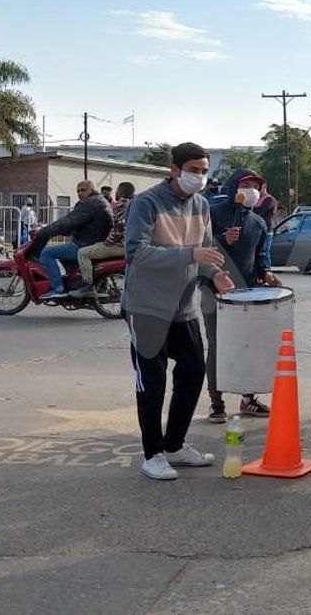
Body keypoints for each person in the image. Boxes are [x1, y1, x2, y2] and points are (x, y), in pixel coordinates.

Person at [123, 142, 235, 481]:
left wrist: (216, 275)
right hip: (147, 306)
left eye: (203, 171)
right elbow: (135, 252)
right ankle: (152, 454)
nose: (199, 177)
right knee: (152, 381)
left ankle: (174, 445)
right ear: (174, 169)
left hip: (183, 306)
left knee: (193, 372)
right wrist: (190, 255)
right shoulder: (146, 202)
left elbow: (207, 252)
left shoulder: (202, 204)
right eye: (193, 170)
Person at [203, 168, 279, 424]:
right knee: (217, 347)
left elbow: (260, 255)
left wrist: (266, 272)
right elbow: (199, 247)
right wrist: (221, 239)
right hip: (213, 292)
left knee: (247, 347)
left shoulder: (257, 222)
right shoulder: (212, 212)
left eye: (256, 185)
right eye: (246, 184)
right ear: (234, 186)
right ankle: (216, 402)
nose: (251, 190)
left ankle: (248, 398)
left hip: (247, 294)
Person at [29, 180, 112, 299]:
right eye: (78, 190)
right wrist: (54, 229)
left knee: (47, 253)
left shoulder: (91, 203)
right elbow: (72, 224)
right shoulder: (97, 201)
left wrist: (45, 231)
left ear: (91, 190)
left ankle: (57, 289)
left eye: (83, 190)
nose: (79, 193)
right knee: (62, 253)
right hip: (92, 241)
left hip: (85, 244)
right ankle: (74, 283)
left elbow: (68, 221)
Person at [73, 182, 134, 297]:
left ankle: (87, 286)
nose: (114, 193)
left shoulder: (122, 206)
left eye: (116, 191)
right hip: (126, 244)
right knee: (95, 247)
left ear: (121, 193)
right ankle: (100, 283)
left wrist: (108, 242)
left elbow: (119, 229)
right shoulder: (132, 205)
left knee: (82, 253)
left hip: (119, 245)